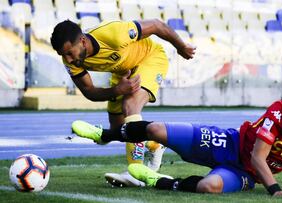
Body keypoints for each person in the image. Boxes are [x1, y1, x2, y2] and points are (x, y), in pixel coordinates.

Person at [71, 88, 282, 195]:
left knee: (209, 186)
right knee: (156, 129)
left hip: (245, 174)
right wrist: (275, 190)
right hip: (230, 143)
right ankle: (104, 135)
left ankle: (158, 181)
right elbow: (258, 155)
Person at [51, 19, 195, 187]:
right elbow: (89, 91)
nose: (67, 58)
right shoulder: (70, 60)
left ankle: (136, 173)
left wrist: (181, 47)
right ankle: (153, 144)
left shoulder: (114, 33)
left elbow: (157, 25)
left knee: (130, 106)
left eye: (69, 52)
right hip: (123, 72)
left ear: (82, 41)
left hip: (150, 58)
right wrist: (117, 90)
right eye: (63, 55)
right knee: (119, 130)